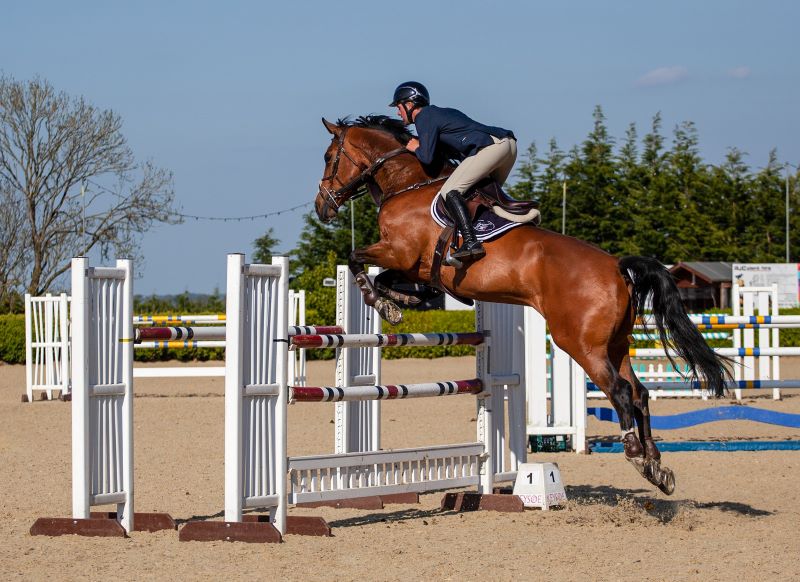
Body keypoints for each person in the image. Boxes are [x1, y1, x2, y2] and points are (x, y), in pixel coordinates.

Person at [390, 81, 517, 261]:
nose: (397, 112)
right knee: (484, 196)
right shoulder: (441, 113)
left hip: (490, 148)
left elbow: (426, 158)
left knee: (450, 191)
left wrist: (415, 147)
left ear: (409, 105)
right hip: (508, 146)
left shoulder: (424, 116)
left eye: (398, 107)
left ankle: (471, 242)